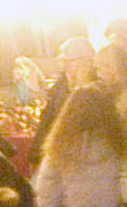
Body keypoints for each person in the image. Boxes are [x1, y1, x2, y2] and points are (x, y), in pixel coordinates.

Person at [31, 37, 99, 166]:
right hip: (59, 153)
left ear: (84, 61)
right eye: (64, 61)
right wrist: (36, 154)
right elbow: (48, 120)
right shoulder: (60, 87)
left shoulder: (97, 89)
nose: (65, 66)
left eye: (69, 61)